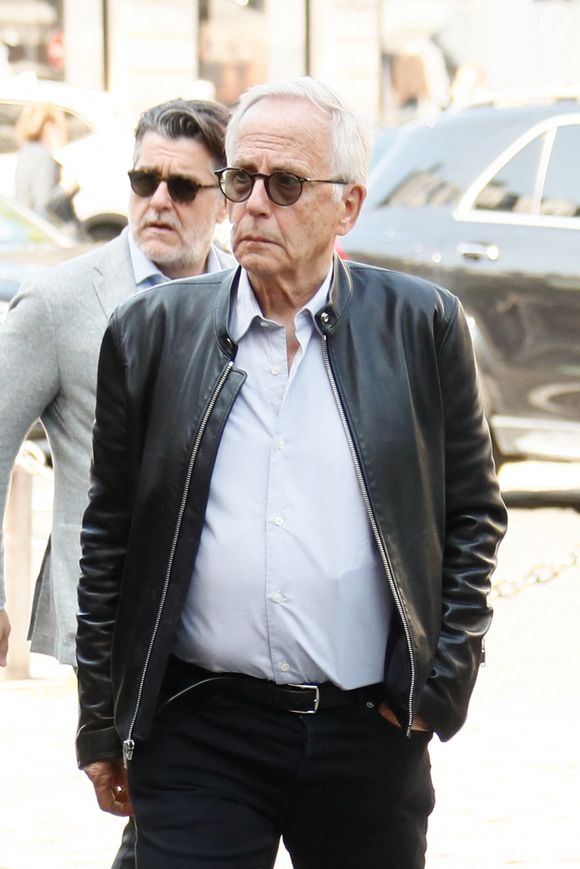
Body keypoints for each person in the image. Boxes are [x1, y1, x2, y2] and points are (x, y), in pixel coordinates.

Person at [76, 77, 507, 869]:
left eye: (286, 184)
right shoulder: (151, 332)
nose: (254, 205)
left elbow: (473, 513)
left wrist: (437, 687)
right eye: (240, 180)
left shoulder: (423, 325)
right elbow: (109, 535)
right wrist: (103, 721)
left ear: (348, 206)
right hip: (199, 721)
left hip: (367, 732)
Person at [0, 96, 234, 866]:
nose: (158, 200)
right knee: (174, 801)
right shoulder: (60, 303)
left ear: (226, 195)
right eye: (143, 180)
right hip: (117, 621)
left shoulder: (249, 295)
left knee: (178, 811)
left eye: (184, 186)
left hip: (231, 614)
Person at [14, 102, 81, 235]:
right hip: (52, 234)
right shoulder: (44, 157)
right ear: (48, 126)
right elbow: (44, 203)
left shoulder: (26, 152)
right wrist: (66, 187)